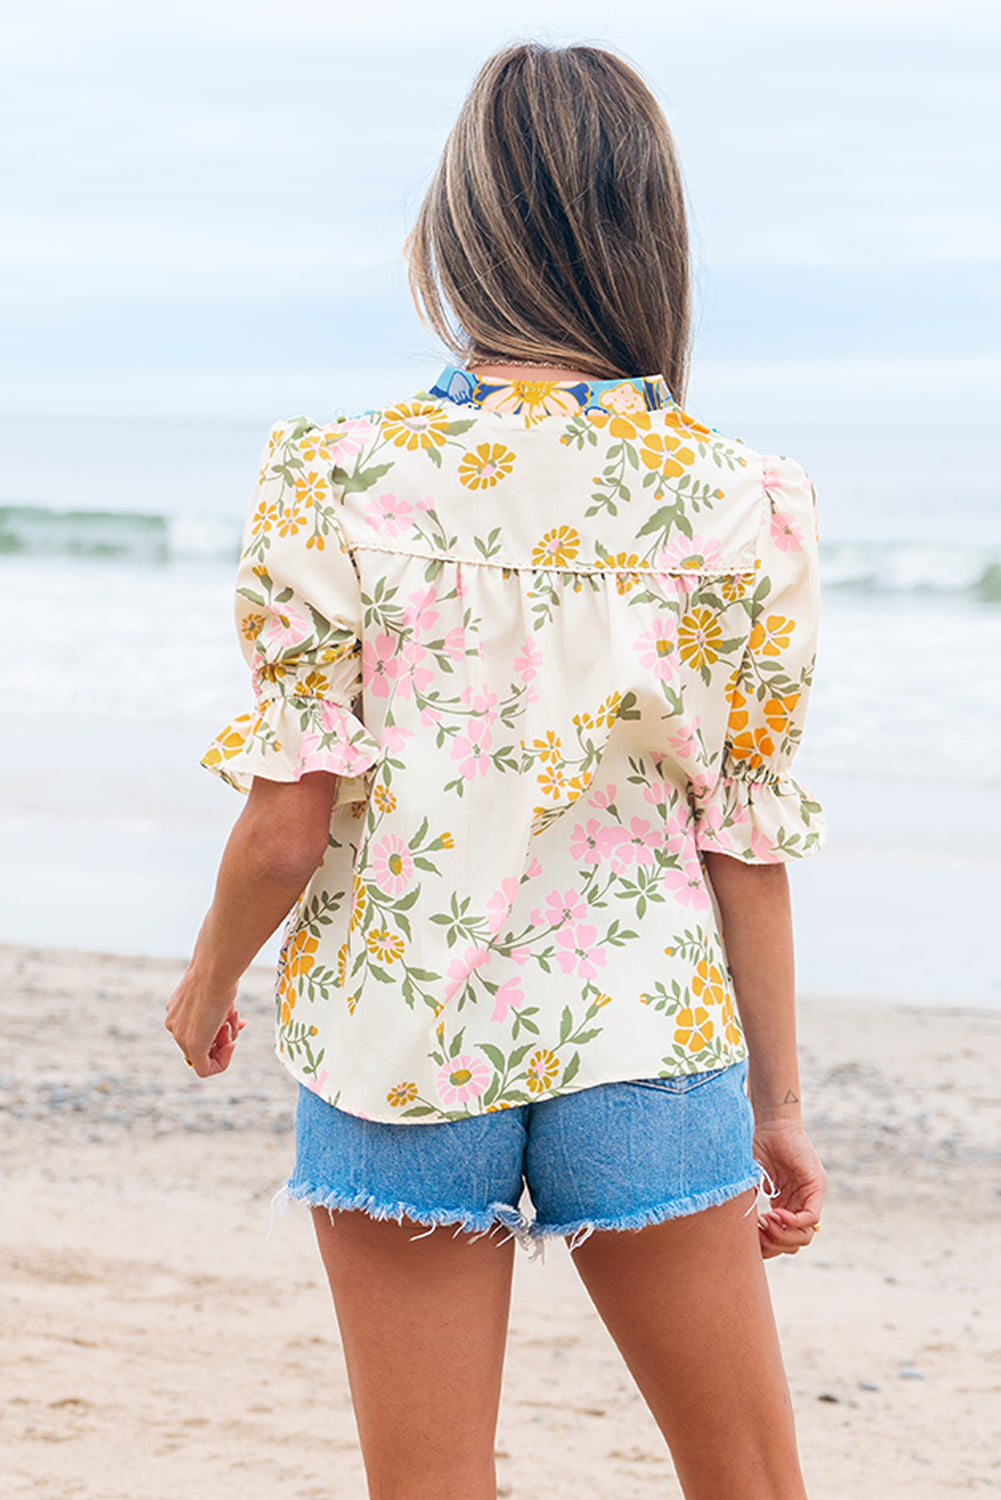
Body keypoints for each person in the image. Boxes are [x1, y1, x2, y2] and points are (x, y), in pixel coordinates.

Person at [166, 40, 827, 1500]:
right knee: (747, 1481)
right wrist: (777, 1109)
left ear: (452, 228)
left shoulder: (333, 475)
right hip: (643, 1031)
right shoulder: (742, 500)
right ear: (651, 234)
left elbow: (285, 828)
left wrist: (208, 982)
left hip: (398, 1040)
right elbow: (744, 833)